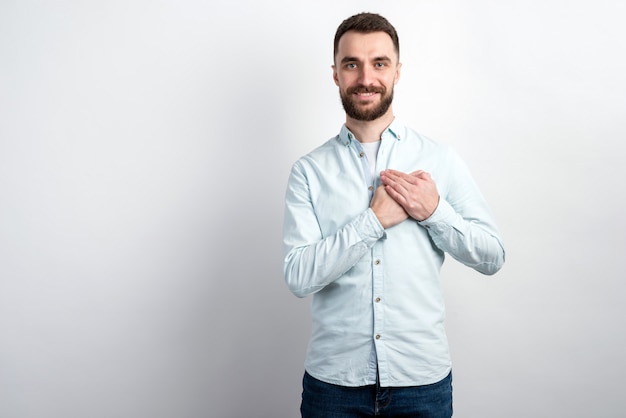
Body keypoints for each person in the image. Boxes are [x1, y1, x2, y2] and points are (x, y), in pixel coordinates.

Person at [282, 12, 505, 418]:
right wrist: (372, 221)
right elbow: (297, 277)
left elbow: (492, 257)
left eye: (379, 63)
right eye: (352, 64)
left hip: (421, 385)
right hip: (334, 386)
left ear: (397, 71)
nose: (366, 77)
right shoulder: (309, 171)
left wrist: (435, 212)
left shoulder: (439, 159)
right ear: (335, 74)